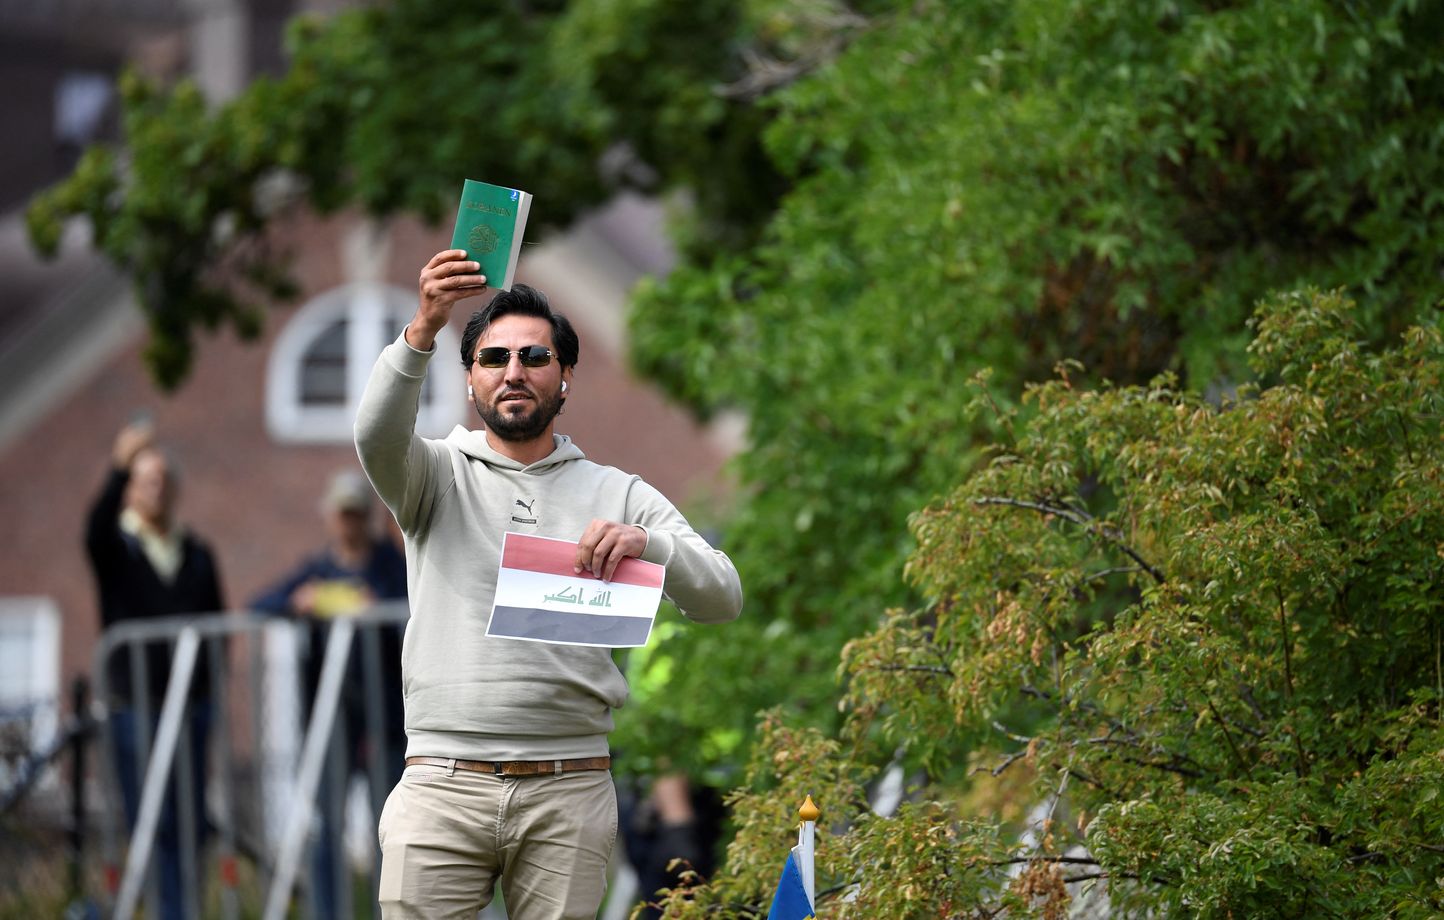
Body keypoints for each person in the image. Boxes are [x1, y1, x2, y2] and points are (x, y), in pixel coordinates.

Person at [355, 250, 744, 919]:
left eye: (535, 358)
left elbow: (722, 596)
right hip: (442, 785)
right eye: (494, 358)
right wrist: (422, 327)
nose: (514, 372)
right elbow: (375, 436)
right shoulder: (434, 474)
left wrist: (647, 544)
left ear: (564, 378)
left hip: (570, 789)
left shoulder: (615, 491)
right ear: (471, 379)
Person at [249, 468, 408, 919]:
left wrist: (379, 605)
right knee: (325, 828)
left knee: (390, 831)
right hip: (330, 720)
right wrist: (297, 602)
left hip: (388, 722)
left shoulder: (391, 565)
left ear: (368, 518)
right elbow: (258, 605)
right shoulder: (317, 570)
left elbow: (419, 600)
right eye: (342, 514)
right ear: (329, 517)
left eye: (357, 514)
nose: (349, 523)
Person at [86, 420, 225, 920]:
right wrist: (119, 463)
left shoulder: (197, 551)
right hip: (137, 710)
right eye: (145, 480)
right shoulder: (117, 547)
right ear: (129, 489)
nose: (156, 488)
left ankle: (184, 909)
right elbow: (93, 531)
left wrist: (209, 693)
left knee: (190, 825)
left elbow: (216, 624)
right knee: (153, 822)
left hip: (190, 708)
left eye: (163, 479)